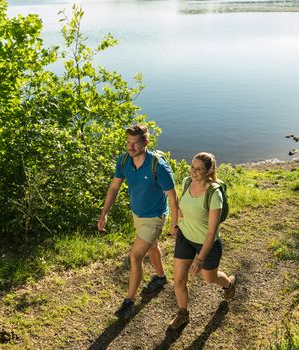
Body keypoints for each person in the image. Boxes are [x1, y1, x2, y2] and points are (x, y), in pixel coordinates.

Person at [98, 124, 180, 320]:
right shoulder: (124, 160)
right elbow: (113, 188)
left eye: (135, 143)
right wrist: (104, 214)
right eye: (128, 142)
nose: (131, 147)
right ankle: (160, 278)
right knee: (152, 247)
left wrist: (174, 223)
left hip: (155, 217)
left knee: (135, 256)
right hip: (138, 214)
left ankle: (129, 302)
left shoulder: (157, 166)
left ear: (146, 142)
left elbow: (173, 197)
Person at [168, 152, 236, 330]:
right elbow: (183, 208)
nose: (194, 172)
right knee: (179, 280)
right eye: (192, 167)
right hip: (185, 237)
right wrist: (175, 224)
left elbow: (212, 231)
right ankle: (183, 314)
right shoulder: (186, 182)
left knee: (209, 278)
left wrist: (199, 260)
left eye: (199, 169)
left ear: (209, 171)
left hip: (208, 243)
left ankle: (228, 284)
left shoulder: (214, 194)